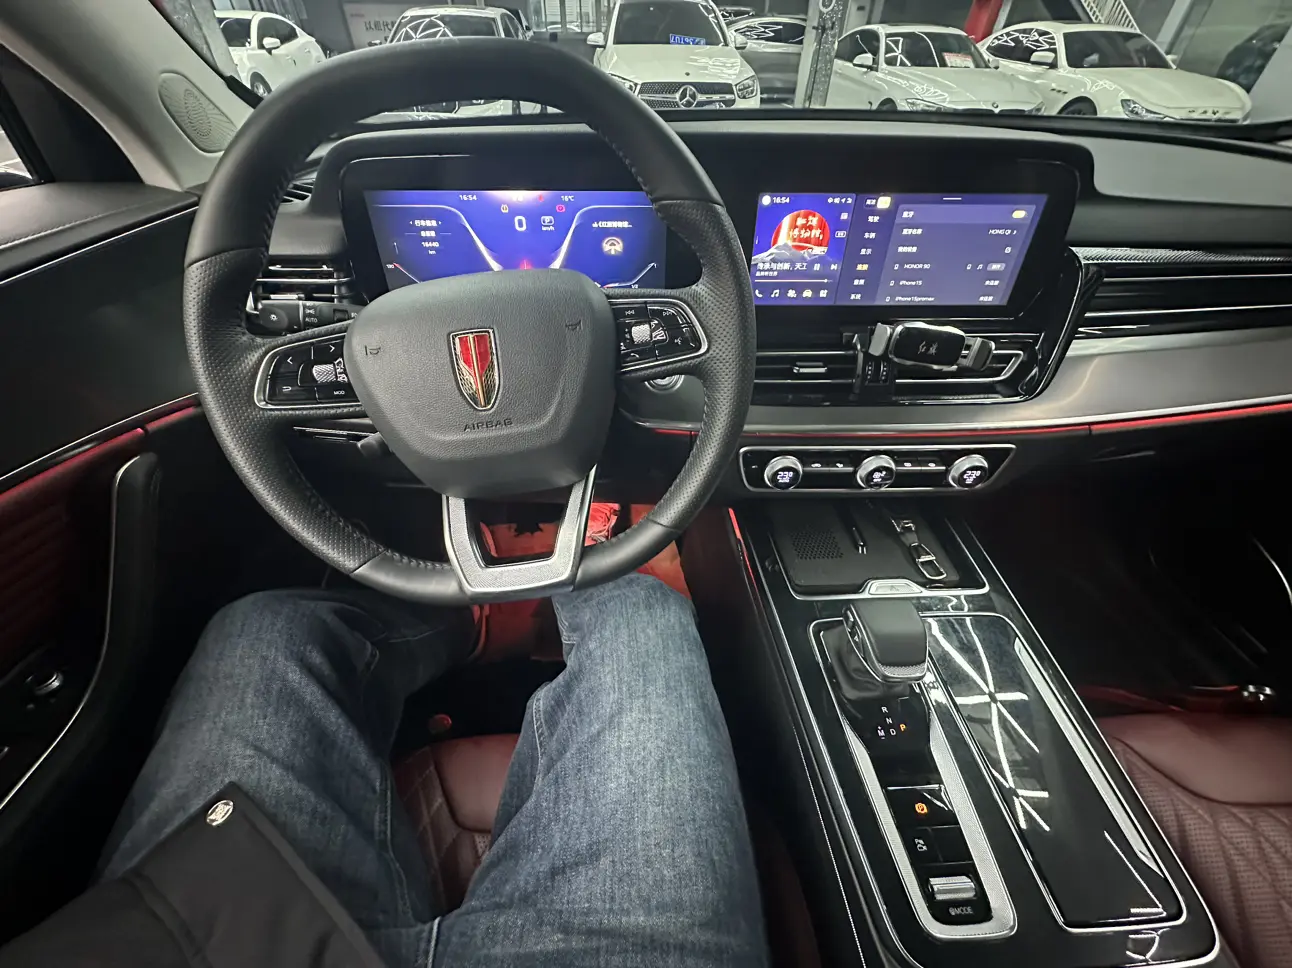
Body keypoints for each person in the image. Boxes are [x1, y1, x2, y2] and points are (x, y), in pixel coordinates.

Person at [0, 536, 770, 967]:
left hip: (204, 940)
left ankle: (475, 619)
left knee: (267, 628)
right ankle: (580, 565)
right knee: (642, 613)